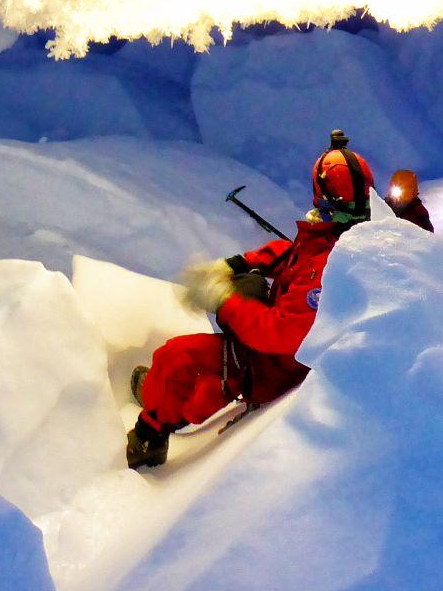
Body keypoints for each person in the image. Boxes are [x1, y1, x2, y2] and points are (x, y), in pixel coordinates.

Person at [124, 130, 374, 469]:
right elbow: (294, 255)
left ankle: (148, 439)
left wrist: (223, 299)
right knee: (245, 294)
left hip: (273, 369)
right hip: (277, 361)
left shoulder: (327, 267)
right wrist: (240, 264)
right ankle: (171, 401)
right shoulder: (349, 238)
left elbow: (280, 334)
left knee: (174, 358)